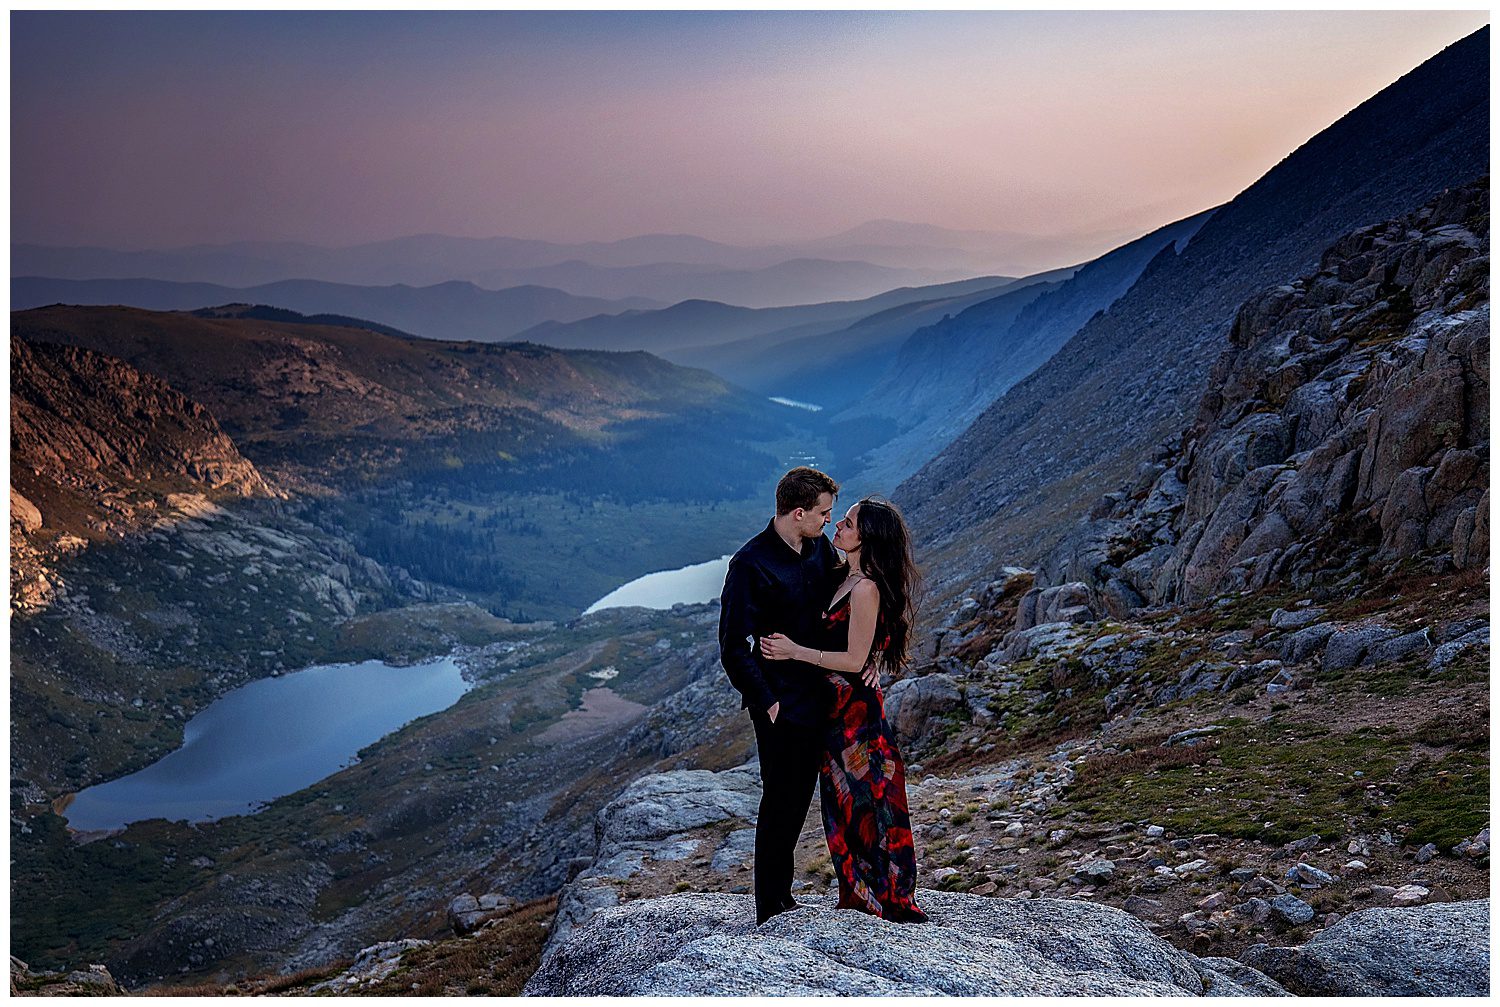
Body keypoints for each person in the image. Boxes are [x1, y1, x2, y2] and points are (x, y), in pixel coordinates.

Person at [759, 497, 928, 923]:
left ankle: (885, 897)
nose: (838, 527)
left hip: (856, 714)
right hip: (831, 711)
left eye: (848, 523)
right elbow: (863, 646)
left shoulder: (867, 587)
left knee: (869, 803)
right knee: (841, 804)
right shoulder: (841, 574)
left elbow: (854, 660)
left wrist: (797, 651)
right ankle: (859, 894)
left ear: (865, 538)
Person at [718, 466, 842, 925]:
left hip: (820, 692)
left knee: (801, 795)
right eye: (823, 513)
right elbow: (733, 646)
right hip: (781, 704)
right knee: (780, 801)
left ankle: (784, 895)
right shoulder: (749, 565)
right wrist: (768, 702)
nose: (828, 521)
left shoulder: (817, 548)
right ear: (797, 512)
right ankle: (770, 905)